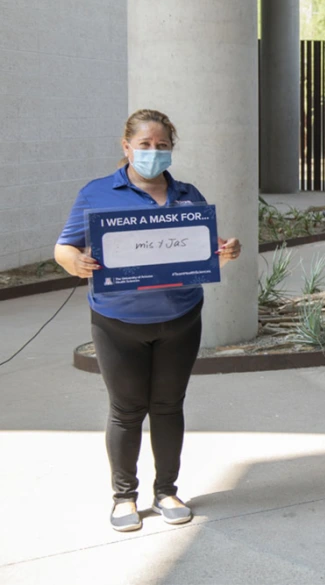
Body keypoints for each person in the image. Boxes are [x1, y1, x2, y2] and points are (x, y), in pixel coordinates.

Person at [55, 109, 242, 532]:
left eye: (161, 146)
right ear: (126, 147)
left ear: (171, 149)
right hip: (117, 321)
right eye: (145, 145)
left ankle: (166, 490)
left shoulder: (188, 195)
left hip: (180, 318)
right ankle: (124, 497)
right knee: (125, 410)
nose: (153, 153)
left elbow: (207, 249)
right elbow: (64, 248)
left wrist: (228, 251)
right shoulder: (97, 193)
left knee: (168, 406)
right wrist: (76, 263)